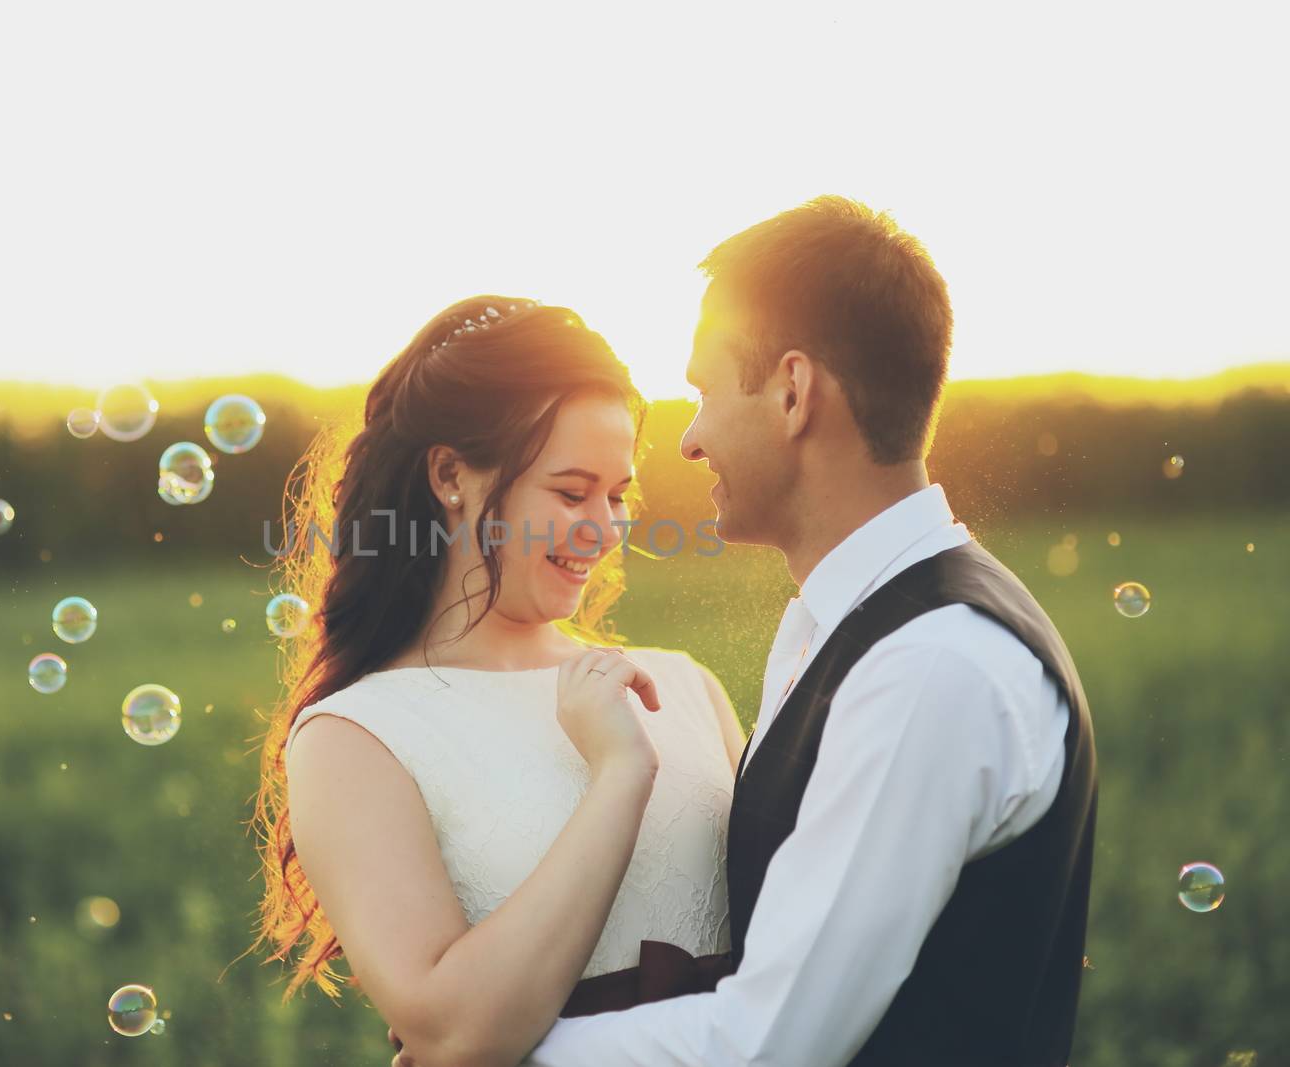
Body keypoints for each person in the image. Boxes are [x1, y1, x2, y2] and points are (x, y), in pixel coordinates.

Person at [394, 196, 1098, 1066]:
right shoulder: (846, 628)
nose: (688, 440)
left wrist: (497, 1053)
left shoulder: (929, 663)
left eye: (703, 389)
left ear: (793, 392)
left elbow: (772, 1040)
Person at [246, 295, 747, 1067]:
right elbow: (455, 1036)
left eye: (618, 495)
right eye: (570, 491)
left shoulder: (683, 686)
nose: (606, 527)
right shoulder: (357, 737)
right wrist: (619, 775)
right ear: (451, 475)